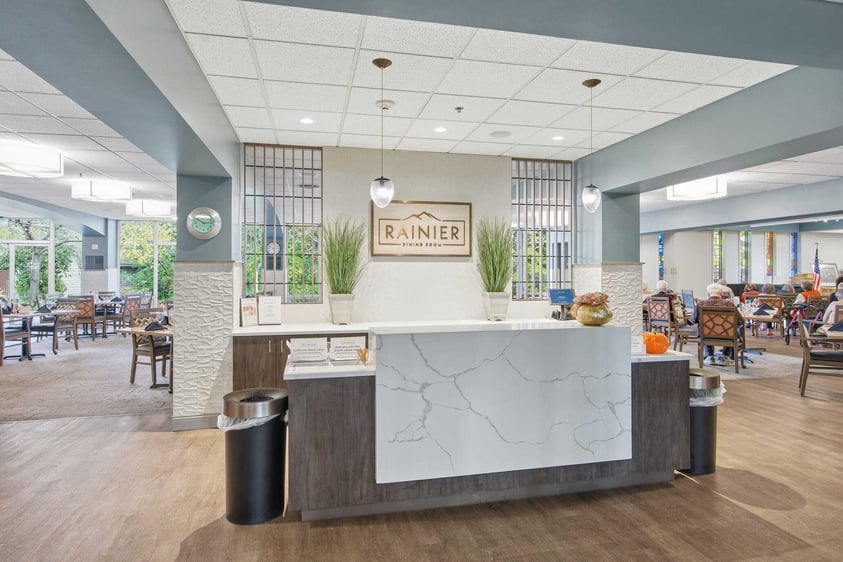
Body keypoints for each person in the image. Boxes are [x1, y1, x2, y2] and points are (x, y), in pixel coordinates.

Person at [692, 283, 740, 366]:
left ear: (708, 293)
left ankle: (710, 356)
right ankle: (725, 356)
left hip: (706, 336)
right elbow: (740, 321)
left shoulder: (701, 304)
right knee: (731, 330)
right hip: (728, 336)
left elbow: (694, 320)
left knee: (705, 329)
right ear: (722, 294)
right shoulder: (729, 304)